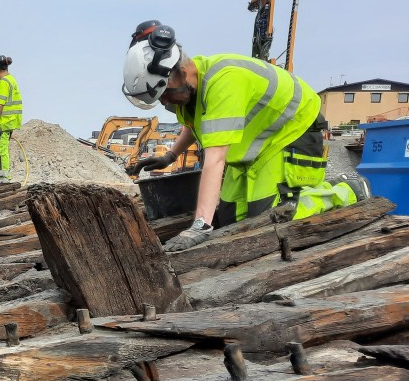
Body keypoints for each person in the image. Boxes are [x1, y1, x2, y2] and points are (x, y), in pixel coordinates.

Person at [121, 23, 370, 252]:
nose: (164, 102)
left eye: (164, 94)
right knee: (231, 217)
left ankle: (345, 190)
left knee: (266, 218)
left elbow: (216, 158)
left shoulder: (224, 81)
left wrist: (200, 225)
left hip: (292, 131)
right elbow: (194, 125)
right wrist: (169, 157)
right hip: (257, 144)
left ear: (181, 72)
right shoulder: (189, 92)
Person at [0, 55, 23, 180]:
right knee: (1, 149)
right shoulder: (11, 80)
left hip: (3, 123)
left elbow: (0, 104)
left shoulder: (3, 83)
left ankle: (4, 177)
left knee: (0, 150)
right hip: (10, 122)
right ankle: (3, 176)